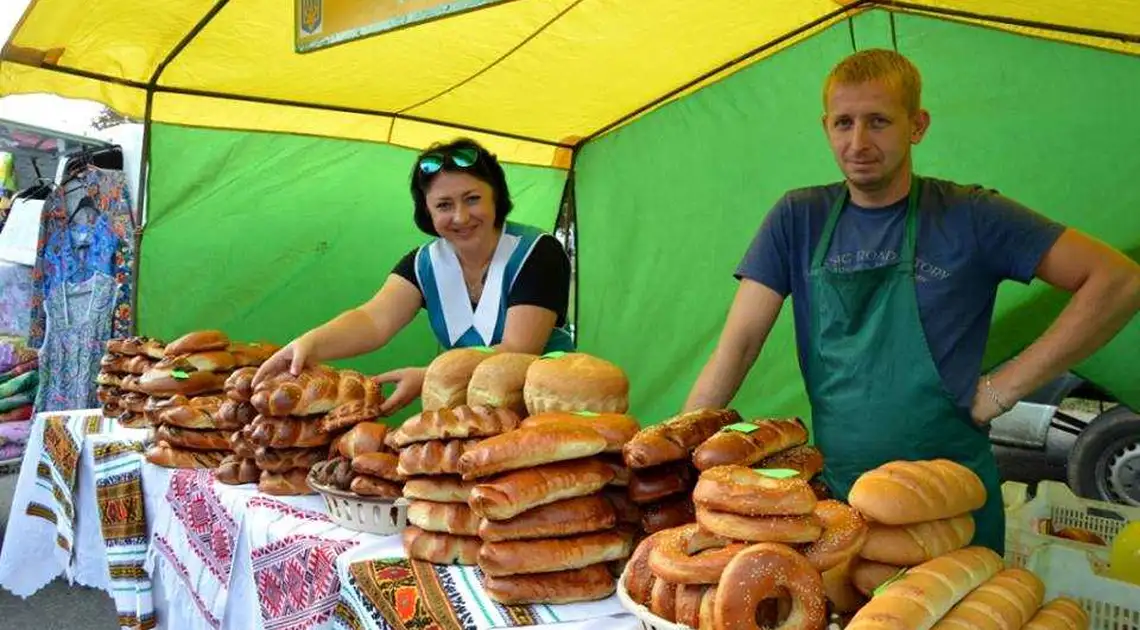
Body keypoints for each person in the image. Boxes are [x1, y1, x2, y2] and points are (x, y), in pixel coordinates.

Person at [683, 49, 1140, 554]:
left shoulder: (971, 215)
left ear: (917, 125)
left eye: (878, 121)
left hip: (955, 509)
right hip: (839, 510)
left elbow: (1118, 281)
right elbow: (738, 346)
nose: (858, 142)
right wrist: (678, 458)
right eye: (843, 123)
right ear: (826, 126)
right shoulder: (798, 219)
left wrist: (1003, 388)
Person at [254, 138, 574, 414]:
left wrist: (429, 378)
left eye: (472, 199)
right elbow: (373, 320)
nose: (460, 216)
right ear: (428, 212)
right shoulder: (424, 264)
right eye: (444, 205)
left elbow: (518, 349)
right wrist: (309, 345)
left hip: (547, 412)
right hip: (470, 416)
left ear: (496, 197)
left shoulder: (537, 253)